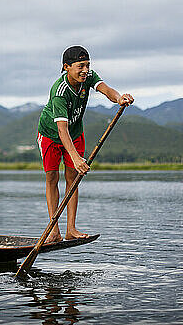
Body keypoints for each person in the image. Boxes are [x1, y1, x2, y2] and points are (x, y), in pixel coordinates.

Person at [37, 45, 134, 243]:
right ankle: (53, 230)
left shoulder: (88, 77)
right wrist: (75, 157)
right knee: (52, 177)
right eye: (80, 66)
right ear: (67, 67)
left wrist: (119, 98)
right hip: (51, 135)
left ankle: (70, 229)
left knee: (73, 178)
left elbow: (106, 90)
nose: (85, 70)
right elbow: (61, 130)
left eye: (87, 65)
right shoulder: (59, 91)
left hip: (75, 133)